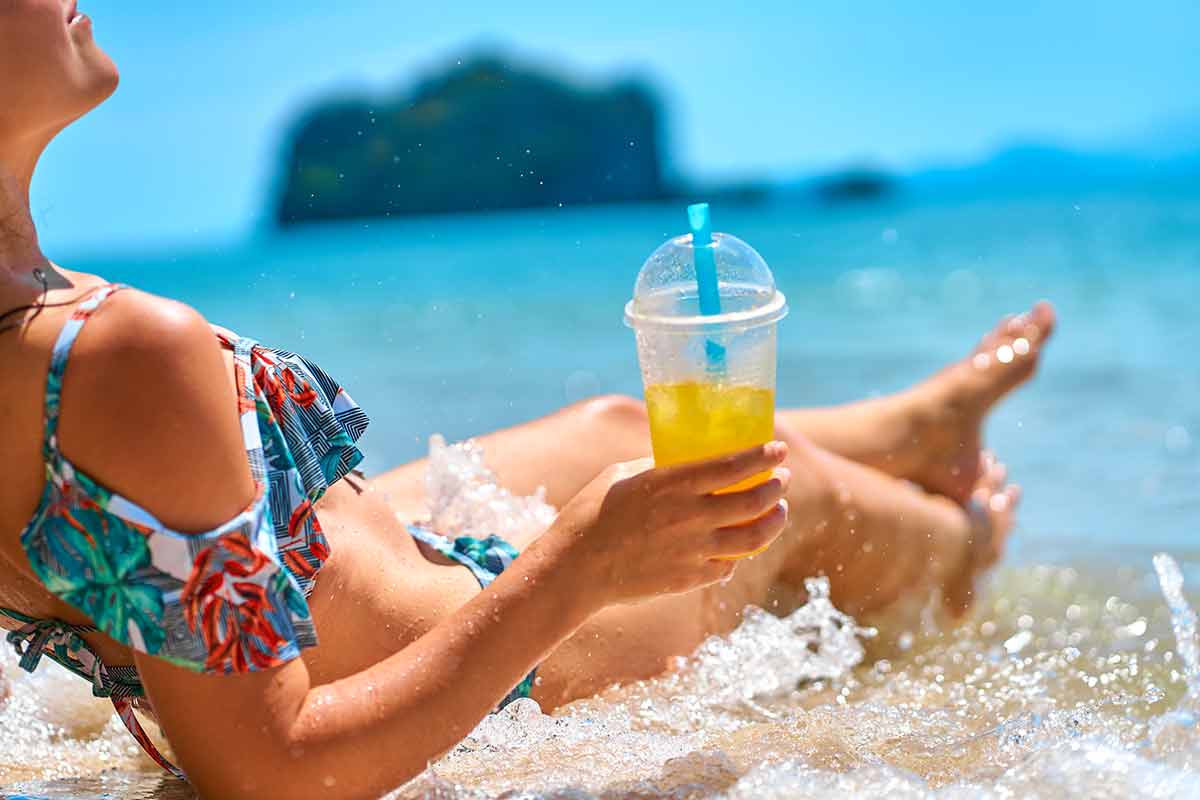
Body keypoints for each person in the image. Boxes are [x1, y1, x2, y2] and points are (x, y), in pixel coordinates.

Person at [0, 3, 1054, 798]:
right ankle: (966, 543)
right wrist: (581, 562)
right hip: (483, 668)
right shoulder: (119, 355)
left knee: (612, 425)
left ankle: (914, 427)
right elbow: (271, 769)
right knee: (780, 497)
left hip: (369, 569)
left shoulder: (36, 330)